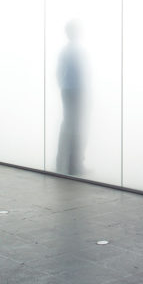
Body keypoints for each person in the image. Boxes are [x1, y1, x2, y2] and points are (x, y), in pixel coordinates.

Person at [57, 20, 85, 175]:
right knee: (73, 127)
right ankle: (73, 165)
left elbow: (59, 73)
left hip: (69, 91)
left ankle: (68, 164)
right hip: (74, 92)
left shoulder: (68, 50)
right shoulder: (73, 50)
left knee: (70, 126)